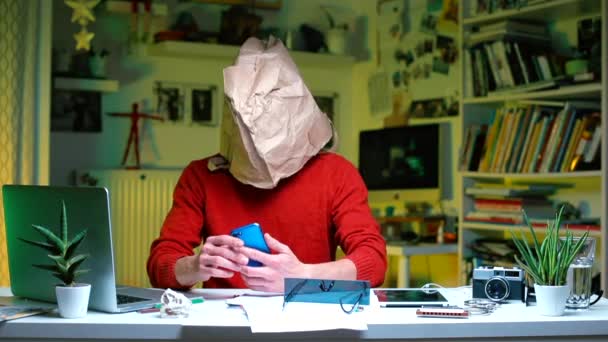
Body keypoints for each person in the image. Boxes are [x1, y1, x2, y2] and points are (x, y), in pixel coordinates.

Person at [147, 37, 387, 293]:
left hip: (305, 315)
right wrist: (195, 265)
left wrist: (301, 275)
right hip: (224, 324)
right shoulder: (200, 176)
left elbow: (373, 260)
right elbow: (160, 264)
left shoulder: (337, 174)